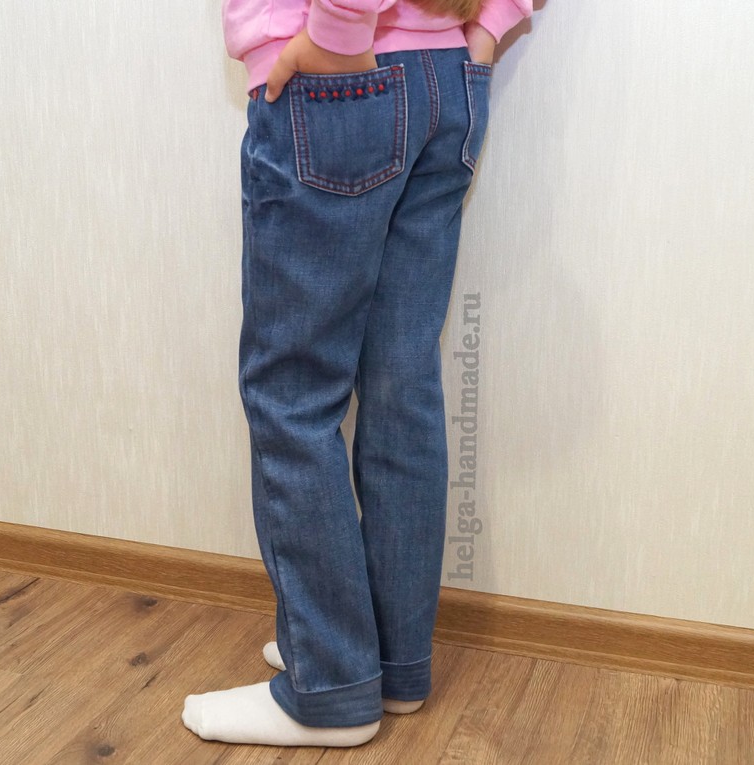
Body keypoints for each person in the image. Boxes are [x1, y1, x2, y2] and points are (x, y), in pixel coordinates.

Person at [182, 0, 532, 748]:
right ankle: (391, 664)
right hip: (445, 82)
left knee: (293, 399)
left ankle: (331, 687)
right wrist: (484, 29)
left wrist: (337, 35)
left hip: (344, 87)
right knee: (402, 387)